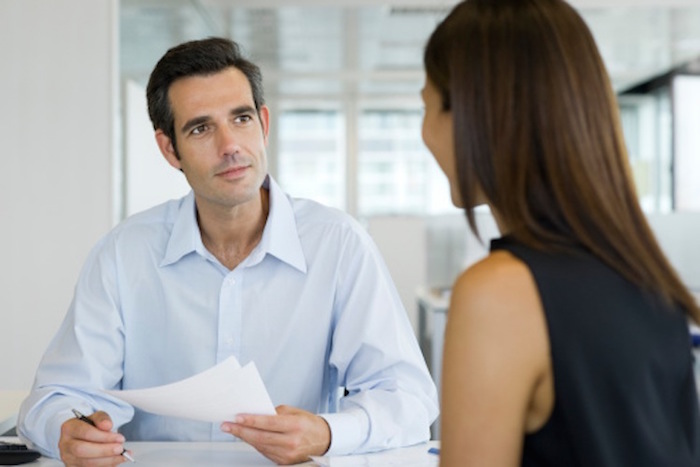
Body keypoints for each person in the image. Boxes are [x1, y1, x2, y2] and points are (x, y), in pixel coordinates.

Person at [18, 37, 438, 466]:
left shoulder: (339, 245)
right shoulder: (123, 254)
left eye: (240, 118)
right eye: (200, 128)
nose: (229, 145)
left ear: (264, 124)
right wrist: (67, 432)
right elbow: (52, 398)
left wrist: (328, 432)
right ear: (169, 149)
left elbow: (408, 398)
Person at [420, 0, 700, 465]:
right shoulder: (649, 279)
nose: (425, 132)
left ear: (473, 115)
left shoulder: (500, 294)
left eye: (427, 106)